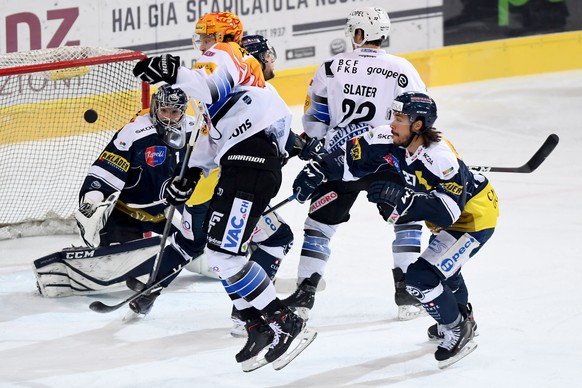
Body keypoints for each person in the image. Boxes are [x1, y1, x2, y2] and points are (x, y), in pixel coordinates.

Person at [132, 12, 315, 370]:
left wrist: (174, 72)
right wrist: (190, 176)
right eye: (199, 38)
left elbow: (207, 85)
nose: (201, 44)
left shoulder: (230, 54)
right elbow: (208, 141)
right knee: (221, 256)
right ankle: (257, 326)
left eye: (206, 36)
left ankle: (287, 323)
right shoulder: (226, 78)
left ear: (224, 36)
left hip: (251, 164)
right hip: (241, 165)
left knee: (225, 257)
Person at [293, 91, 499, 368]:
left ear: (418, 125)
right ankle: (463, 317)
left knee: (421, 279)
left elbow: (449, 212)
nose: (392, 123)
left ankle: (457, 328)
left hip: (473, 219)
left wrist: (405, 199)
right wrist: (320, 168)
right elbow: (351, 158)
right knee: (446, 272)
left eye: (400, 118)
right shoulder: (387, 137)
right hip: (449, 217)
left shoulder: (441, 157)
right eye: (393, 115)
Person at [284, 6, 428, 321]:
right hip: (387, 160)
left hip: (339, 160)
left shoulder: (331, 67)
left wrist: (318, 153)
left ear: (359, 34)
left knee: (319, 227)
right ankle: (407, 291)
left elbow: (314, 120)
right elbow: (421, 116)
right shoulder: (402, 69)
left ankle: (304, 293)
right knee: (406, 220)